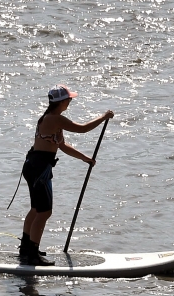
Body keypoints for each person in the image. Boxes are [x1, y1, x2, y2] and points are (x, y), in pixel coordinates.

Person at [19, 85, 113, 264]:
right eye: (69, 99)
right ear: (61, 102)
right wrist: (104, 117)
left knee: (36, 210)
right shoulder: (55, 119)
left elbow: (61, 146)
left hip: (33, 166)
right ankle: (32, 254)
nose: (70, 101)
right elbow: (83, 129)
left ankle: (26, 249)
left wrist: (86, 159)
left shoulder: (48, 119)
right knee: (44, 212)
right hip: (39, 170)